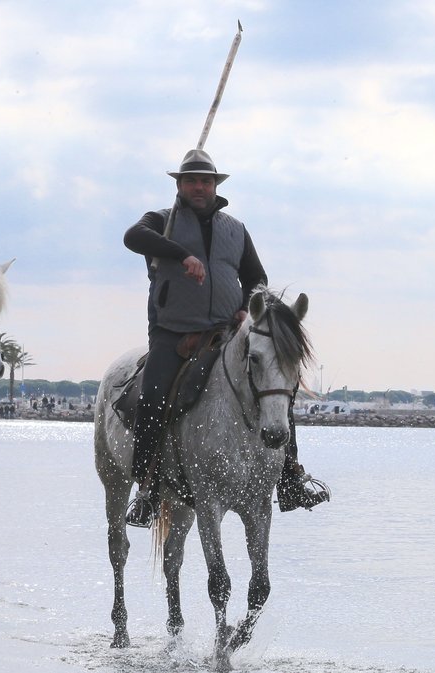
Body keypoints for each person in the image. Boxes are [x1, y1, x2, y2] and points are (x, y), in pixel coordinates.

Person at [122, 148, 331, 528]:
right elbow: (132, 236)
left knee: (276, 387)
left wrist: (246, 307)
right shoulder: (161, 222)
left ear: (216, 186)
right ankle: (147, 490)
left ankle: (290, 478)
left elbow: (258, 278)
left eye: (205, 181)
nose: (199, 187)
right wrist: (181, 254)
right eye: (191, 181)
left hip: (225, 331)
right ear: (180, 186)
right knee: (151, 397)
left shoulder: (236, 228)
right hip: (174, 333)